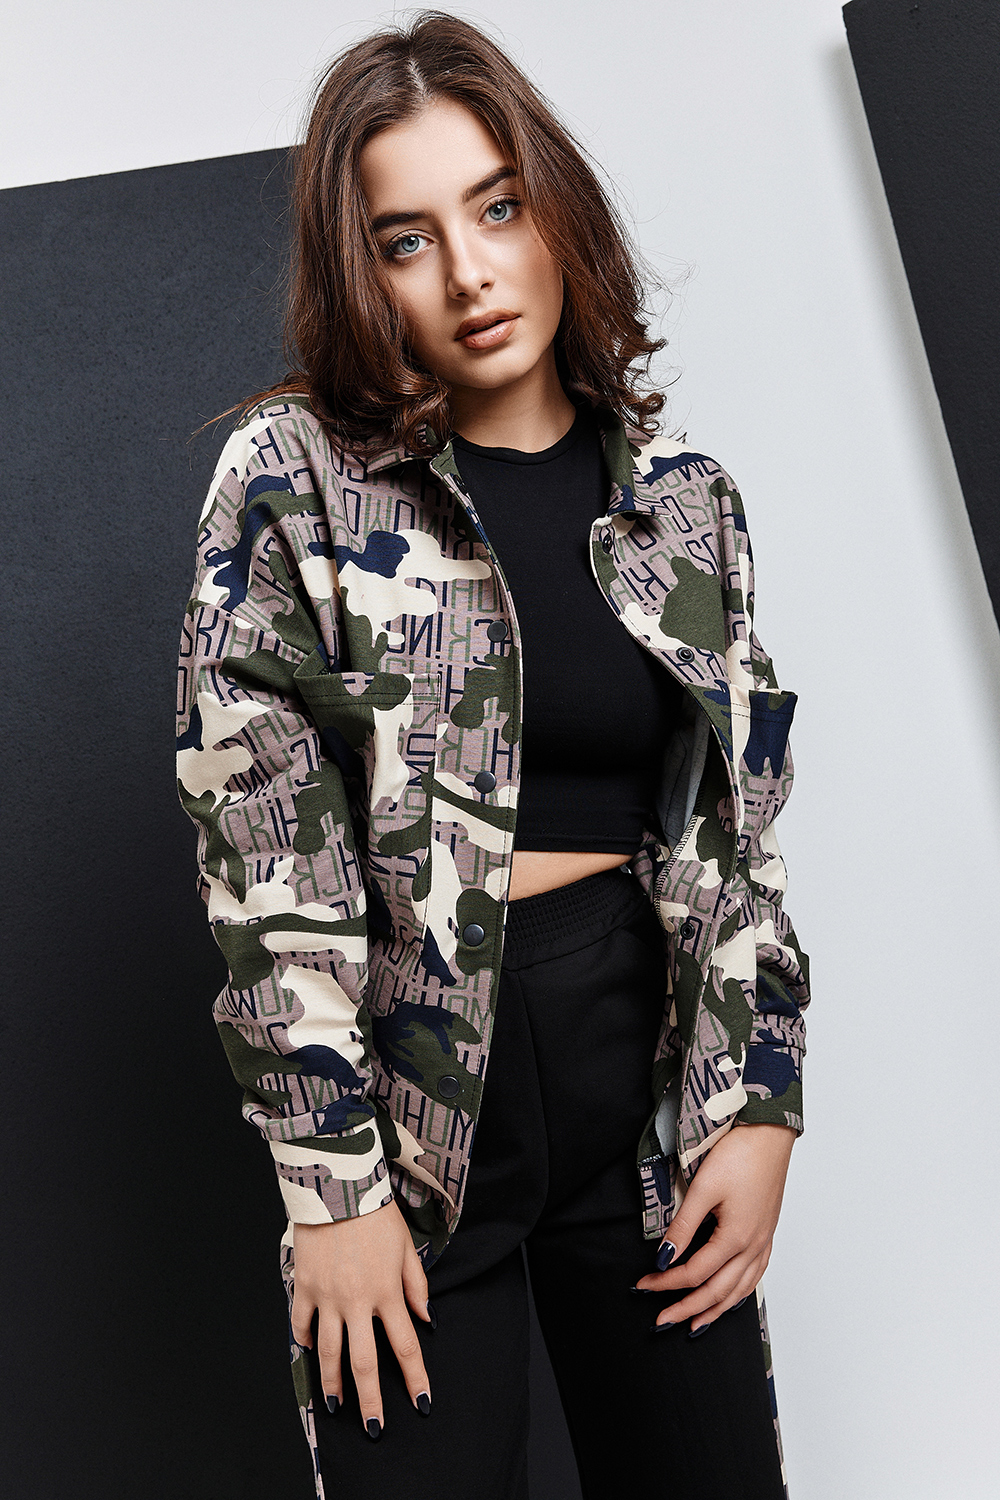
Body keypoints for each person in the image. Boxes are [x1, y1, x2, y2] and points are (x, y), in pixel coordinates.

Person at [176, 11, 809, 1500]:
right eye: (405, 240)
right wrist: (330, 1188)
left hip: (639, 1088)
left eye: (498, 207)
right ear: (361, 275)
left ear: (556, 212)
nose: (468, 272)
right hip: (406, 1101)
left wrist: (760, 1099)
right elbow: (264, 850)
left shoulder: (686, 508)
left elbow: (737, 835)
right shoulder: (294, 484)